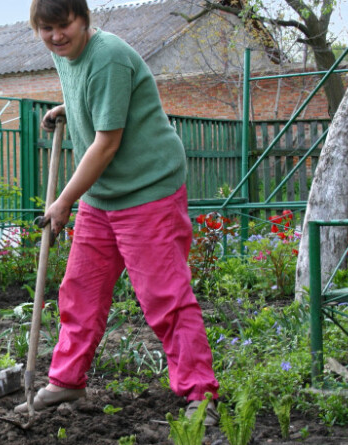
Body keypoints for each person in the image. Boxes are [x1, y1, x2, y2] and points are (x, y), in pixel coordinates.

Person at [15, 0, 220, 423]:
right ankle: (67, 381)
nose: (56, 36)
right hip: (103, 192)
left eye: (63, 25)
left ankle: (200, 394)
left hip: (147, 189)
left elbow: (106, 143)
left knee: (165, 296)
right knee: (81, 290)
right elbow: (96, 97)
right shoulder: (65, 54)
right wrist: (69, 109)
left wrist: (64, 200)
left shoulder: (108, 56)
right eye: (46, 28)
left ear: (83, 19)